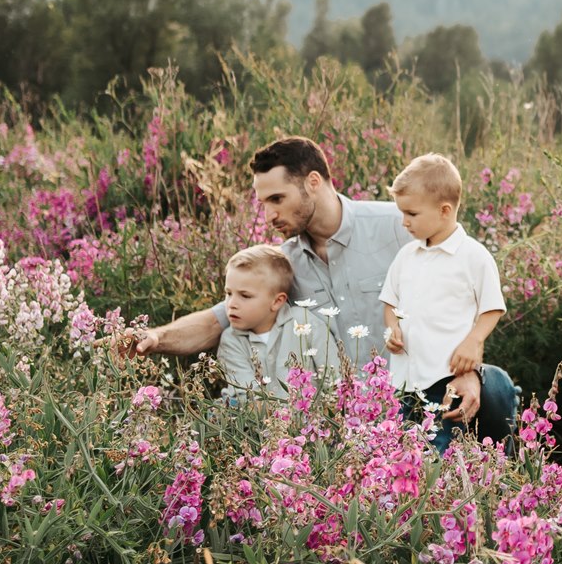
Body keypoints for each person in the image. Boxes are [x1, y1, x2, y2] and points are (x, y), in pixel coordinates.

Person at [124, 136, 490, 425]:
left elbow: (464, 290)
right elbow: (220, 318)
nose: (268, 215)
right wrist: (154, 338)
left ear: (313, 182)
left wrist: (469, 371)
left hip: (413, 396)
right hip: (335, 420)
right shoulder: (284, 263)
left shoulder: (398, 227)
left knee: (499, 389)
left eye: (277, 199)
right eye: (263, 202)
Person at [380, 153, 518, 451]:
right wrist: (393, 328)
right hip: (404, 381)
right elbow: (390, 301)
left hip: (446, 377)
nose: (404, 222)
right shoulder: (407, 256)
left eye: (412, 214)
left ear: (444, 210)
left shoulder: (473, 256)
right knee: (403, 450)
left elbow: (491, 307)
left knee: (442, 450)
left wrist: (473, 341)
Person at [214, 244, 340, 399]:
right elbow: (247, 396)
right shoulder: (231, 339)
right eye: (228, 293)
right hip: (260, 421)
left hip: (314, 420)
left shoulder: (305, 322)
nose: (231, 304)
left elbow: (334, 378)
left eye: (245, 296)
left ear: (277, 301)